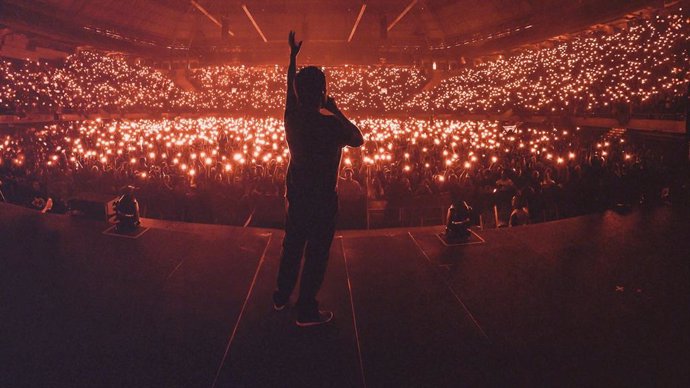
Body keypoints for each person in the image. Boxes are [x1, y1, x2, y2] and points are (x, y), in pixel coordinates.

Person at [273, 31, 364, 327]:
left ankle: (281, 295)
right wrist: (336, 109)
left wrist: (292, 57)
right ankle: (306, 310)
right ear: (322, 92)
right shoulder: (331, 126)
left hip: (297, 196)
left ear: (298, 93)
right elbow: (358, 139)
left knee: (292, 245)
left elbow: (289, 88)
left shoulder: (292, 119)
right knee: (316, 254)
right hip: (323, 200)